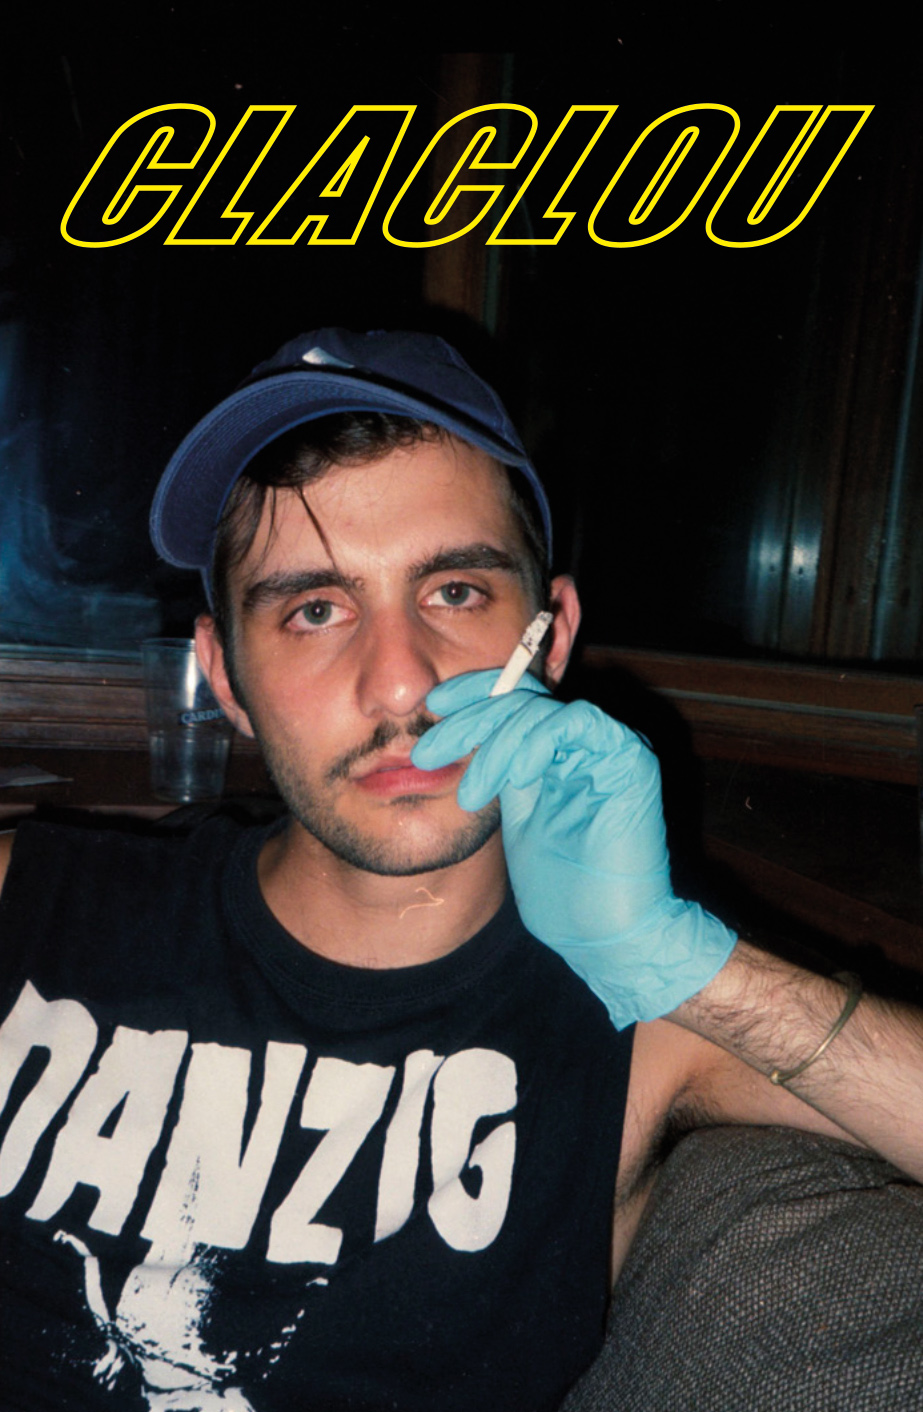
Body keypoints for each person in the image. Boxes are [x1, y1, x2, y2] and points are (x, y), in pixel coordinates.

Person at [0, 327, 920, 1412]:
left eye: (454, 593)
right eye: (314, 609)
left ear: (552, 636)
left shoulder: (642, 1017)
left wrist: (681, 965)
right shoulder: (35, 896)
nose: (399, 684)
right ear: (226, 675)